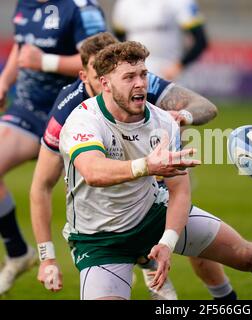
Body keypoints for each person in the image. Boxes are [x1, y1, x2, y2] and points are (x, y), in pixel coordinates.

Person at [55, 40, 252, 300]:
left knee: (247, 255)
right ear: (105, 84)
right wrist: (147, 166)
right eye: (129, 77)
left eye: (143, 75)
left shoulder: (163, 121)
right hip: (100, 238)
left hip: (152, 213)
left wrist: (167, 241)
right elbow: (93, 171)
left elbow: (179, 192)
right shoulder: (83, 121)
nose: (140, 84)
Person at [30, 32, 236, 300]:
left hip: (157, 178)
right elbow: (42, 185)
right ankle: (146, 262)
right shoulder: (68, 111)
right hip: (107, 205)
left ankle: (225, 299)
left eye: (134, 75)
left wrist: (181, 116)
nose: (135, 82)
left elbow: (205, 107)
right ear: (88, 77)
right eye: (99, 75)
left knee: (201, 248)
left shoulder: (140, 82)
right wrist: (47, 257)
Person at [0, 0, 106, 295]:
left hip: (74, 110)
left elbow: (102, 61)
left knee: (109, 190)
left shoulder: (81, 8)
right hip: (28, 111)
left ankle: (144, 263)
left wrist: (45, 62)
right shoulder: (25, 4)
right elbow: (22, 51)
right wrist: (4, 82)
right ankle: (19, 253)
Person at [112, 0, 208, 80]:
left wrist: (180, 65)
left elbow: (200, 40)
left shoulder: (181, 2)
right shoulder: (124, 3)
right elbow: (118, 40)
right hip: (135, 73)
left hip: (168, 73)